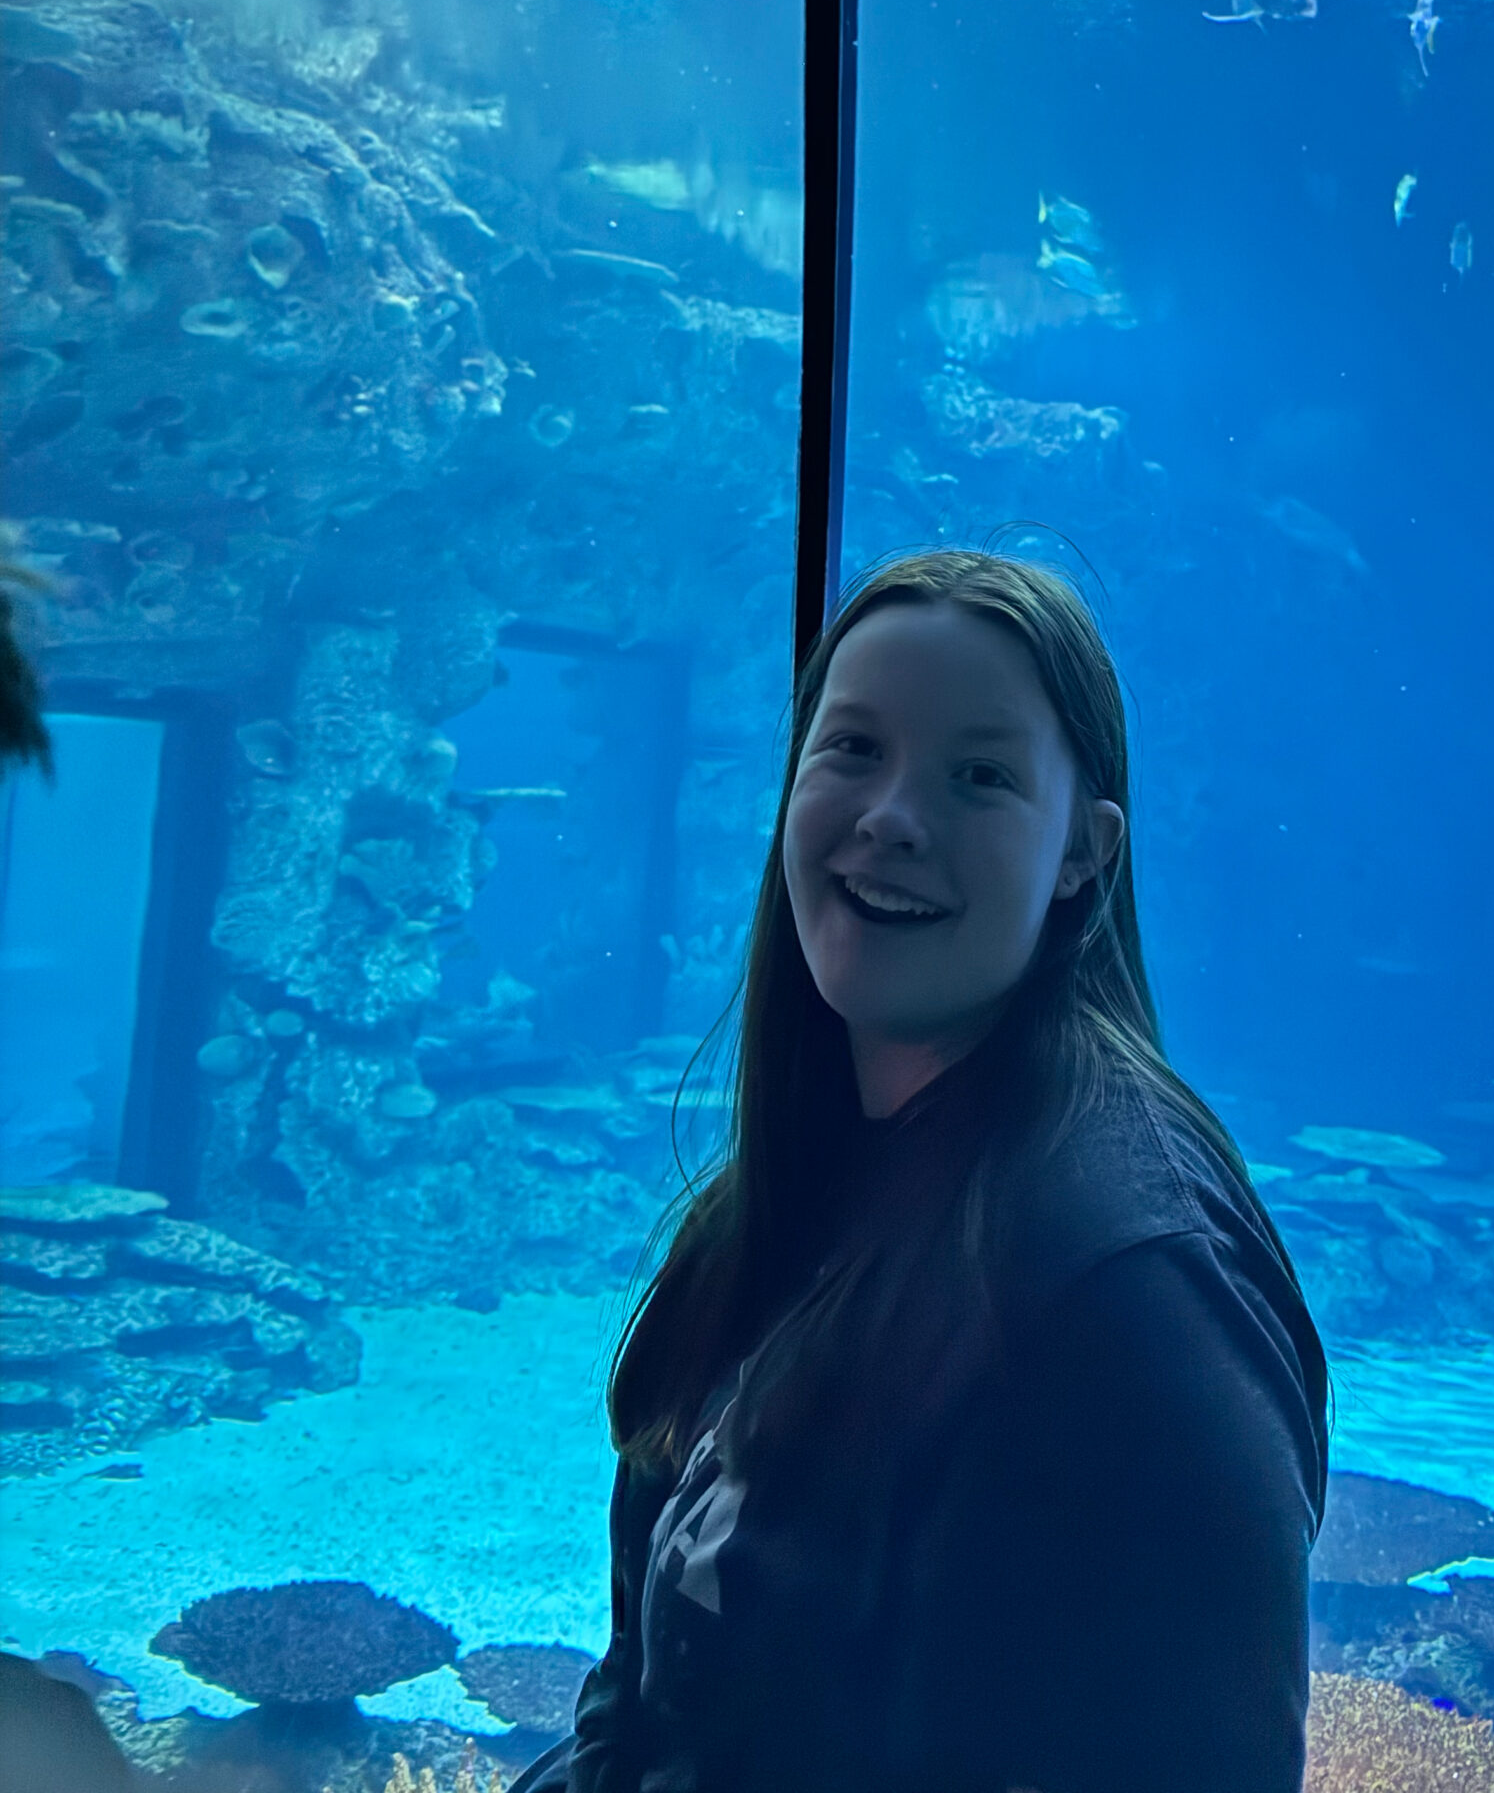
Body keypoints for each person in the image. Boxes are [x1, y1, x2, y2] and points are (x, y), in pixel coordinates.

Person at [515, 549, 1328, 1793]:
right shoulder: (799, 1190)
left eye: (981, 776)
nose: (894, 813)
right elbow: (642, 1714)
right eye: (853, 748)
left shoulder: (1135, 1280)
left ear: (1084, 855)